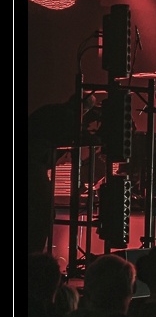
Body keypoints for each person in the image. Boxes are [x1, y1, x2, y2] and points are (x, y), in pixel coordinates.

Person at [27, 92, 100, 254]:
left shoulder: (51, 110)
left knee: (38, 211)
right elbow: (84, 139)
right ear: (84, 109)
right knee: (44, 213)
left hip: (34, 164)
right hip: (33, 165)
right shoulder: (68, 117)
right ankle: (34, 257)